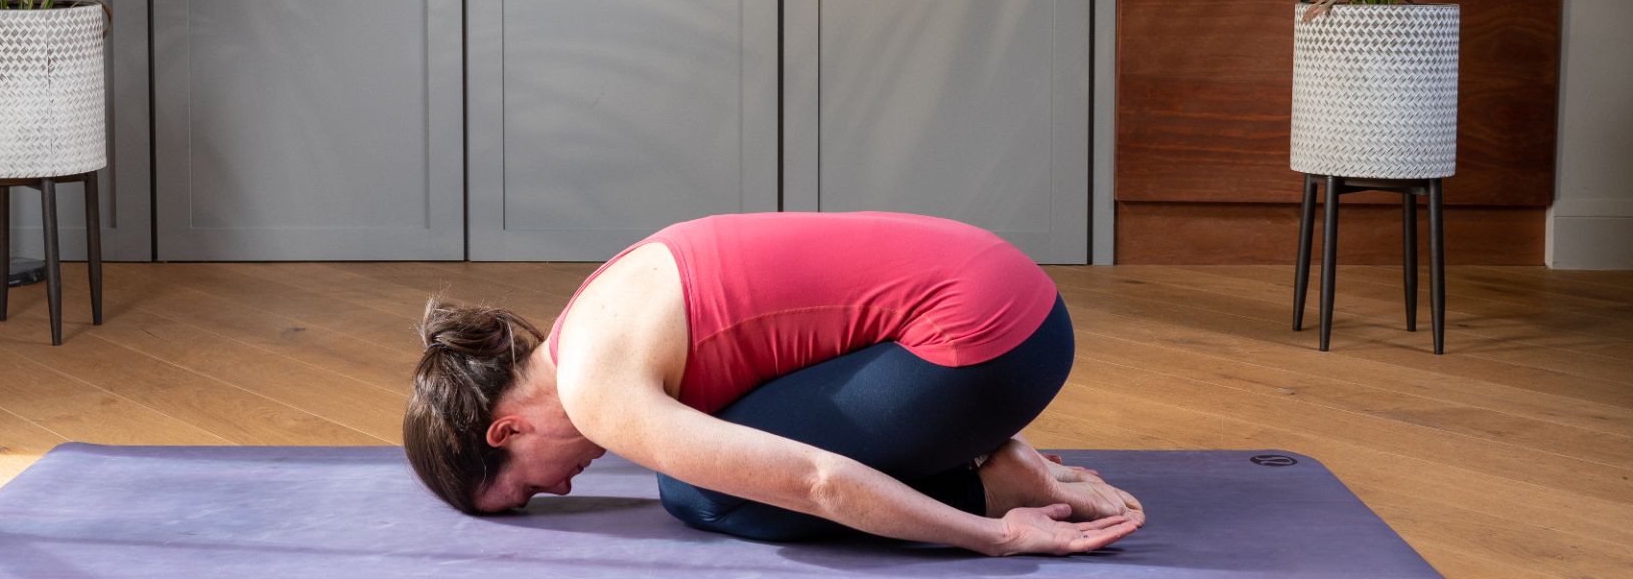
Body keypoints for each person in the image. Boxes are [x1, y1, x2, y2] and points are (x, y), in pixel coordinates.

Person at [403, 210, 1145, 557]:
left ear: (507, 432)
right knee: (712, 453)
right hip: (1015, 305)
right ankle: (997, 449)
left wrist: (995, 536)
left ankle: (997, 484)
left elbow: (816, 480)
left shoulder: (596, 389)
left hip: (994, 346)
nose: (561, 493)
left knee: (700, 490)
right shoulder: (591, 316)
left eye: (527, 489)